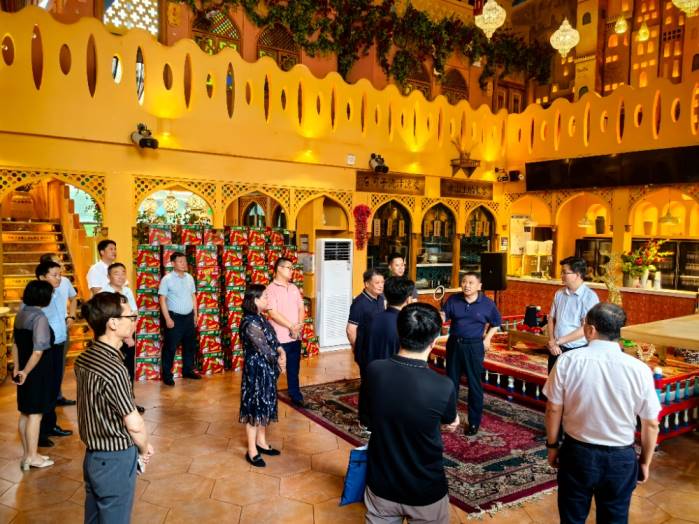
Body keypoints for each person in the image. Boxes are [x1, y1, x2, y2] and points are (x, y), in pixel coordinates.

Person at [543, 303, 660, 524]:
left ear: (591, 329)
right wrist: (644, 462)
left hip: (577, 453)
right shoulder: (640, 370)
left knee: (572, 517)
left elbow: (553, 408)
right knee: (615, 517)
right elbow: (651, 423)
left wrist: (552, 446)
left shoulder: (568, 361)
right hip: (620, 458)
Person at [364, 303, 459, 524]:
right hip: (425, 490)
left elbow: (367, 419)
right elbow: (449, 421)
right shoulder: (443, 386)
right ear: (434, 341)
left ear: (399, 333)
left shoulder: (374, 370)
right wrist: (453, 421)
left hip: (382, 484)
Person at [75, 292, 153, 523]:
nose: (135, 320)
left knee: (93, 517)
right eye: (131, 316)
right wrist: (144, 448)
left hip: (93, 457)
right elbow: (135, 424)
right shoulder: (114, 368)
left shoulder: (85, 358)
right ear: (113, 323)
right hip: (115, 459)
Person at [442, 271, 501, 436]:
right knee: (451, 382)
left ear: (479, 286)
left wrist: (487, 339)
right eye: (464, 282)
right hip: (454, 343)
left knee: (474, 384)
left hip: (474, 346)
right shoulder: (453, 299)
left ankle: (474, 422)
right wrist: (439, 316)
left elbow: (496, 323)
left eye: (470, 282)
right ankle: (449, 417)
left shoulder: (487, 304)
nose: (466, 285)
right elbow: (444, 316)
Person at [239, 285, 287, 468]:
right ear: (255, 300)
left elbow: (273, 340)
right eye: (265, 296)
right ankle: (252, 451)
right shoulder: (249, 322)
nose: (268, 299)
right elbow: (264, 348)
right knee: (254, 407)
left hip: (267, 368)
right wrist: (280, 361)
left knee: (265, 404)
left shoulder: (261, 318)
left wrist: (281, 350)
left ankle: (261, 442)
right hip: (256, 371)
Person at [11, 280, 56, 470]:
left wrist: (18, 369)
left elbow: (15, 344)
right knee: (36, 415)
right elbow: (38, 351)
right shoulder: (39, 317)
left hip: (23, 369)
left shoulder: (21, 314)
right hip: (36, 371)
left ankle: (27, 455)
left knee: (25, 413)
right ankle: (33, 457)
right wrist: (27, 371)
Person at [35, 260, 73, 447]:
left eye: (60, 274)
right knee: (45, 388)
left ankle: (51, 426)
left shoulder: (57, 291)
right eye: (55, 275)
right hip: (46, 346)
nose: (59, 278)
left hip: (59, 342)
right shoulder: (38, 297)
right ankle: (39, 433)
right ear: (42, 277)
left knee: (54, 386)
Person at [103, 262, 145, 414]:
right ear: (108, 276)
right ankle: (113, 405)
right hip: (112, 340)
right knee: (113, 372)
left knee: (128, 371)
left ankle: (129, 403)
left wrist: (129, 334)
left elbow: (134, 314)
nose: (121, 276)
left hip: (128, 337)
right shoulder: (104, 294)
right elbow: (105, 319)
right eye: (116, 273)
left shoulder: (127, 291)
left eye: (123, 273)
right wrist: (123, 335)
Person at [346, 268, 385, 430]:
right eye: (377, 282)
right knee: (368, 385)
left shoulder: (381, 299)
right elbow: (350, 330)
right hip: (366, 352)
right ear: (367, 284)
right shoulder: (359, 303)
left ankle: (377, 415)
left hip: (379, 350)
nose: (381, 285)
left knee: (379, 384)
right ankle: (365, 420)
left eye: (382, 282)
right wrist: (358, 350)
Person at [263, 257, 305, 407]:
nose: (292, 271)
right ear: (279, 269)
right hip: (279, 338)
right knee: (274, 370)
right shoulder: (270, 289)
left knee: (294, 369)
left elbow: (301, 307)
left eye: (292, 268)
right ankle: (267, 397)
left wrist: (298, 325)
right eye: (289, 268)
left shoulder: (293, 288)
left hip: (295, 336)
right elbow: (272, 313)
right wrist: (291, 326)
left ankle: (295, 395)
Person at [547, 256, 600, 373]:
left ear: (577, 274)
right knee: (552, 382)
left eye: (564, 272)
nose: (561, 275)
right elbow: (551, 318)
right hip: (555, 349)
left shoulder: (590, 297)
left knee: (573, 383)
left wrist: (558, 341)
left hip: (577, 350)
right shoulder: (559, 293)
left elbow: (586, 328)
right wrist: (552, 342)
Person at [39, 253, 77, 407]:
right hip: (45, 331)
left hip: (62, 329)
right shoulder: (39, 288)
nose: (60, 264)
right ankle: (46, 398)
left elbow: (73, 298)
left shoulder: (65, 281)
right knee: (46, 365)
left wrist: (71, 316)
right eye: (56, 262)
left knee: (59, 364)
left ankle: (57, 395)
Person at [158, 252, 201, 386]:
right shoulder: (167, 279)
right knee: (170, 348)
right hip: (174, 318)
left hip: (189, 317)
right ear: (173, 263)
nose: (184, 263)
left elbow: (193, 296)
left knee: (190, 346)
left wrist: (195, 315)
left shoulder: (190, 278)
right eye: (180, 261)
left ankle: (188, 370)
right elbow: (162, 299)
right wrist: (167, 318)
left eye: (185, 261)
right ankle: (167, 375)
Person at [365, 276, 415, 364]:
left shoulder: (373, 319)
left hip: (372, 370)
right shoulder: (406, 324)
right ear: (408, 299)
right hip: (393, 371)